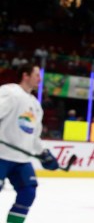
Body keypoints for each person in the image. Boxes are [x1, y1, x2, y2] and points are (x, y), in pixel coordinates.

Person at [0, 63, 60, 223]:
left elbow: (34, 136)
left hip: (21, 160)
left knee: (28, 193)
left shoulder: (35, 104)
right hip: (1, 156)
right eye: (36, 75)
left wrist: (44, 153)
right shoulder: (10, 93)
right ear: (25, 75)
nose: (40, 79)